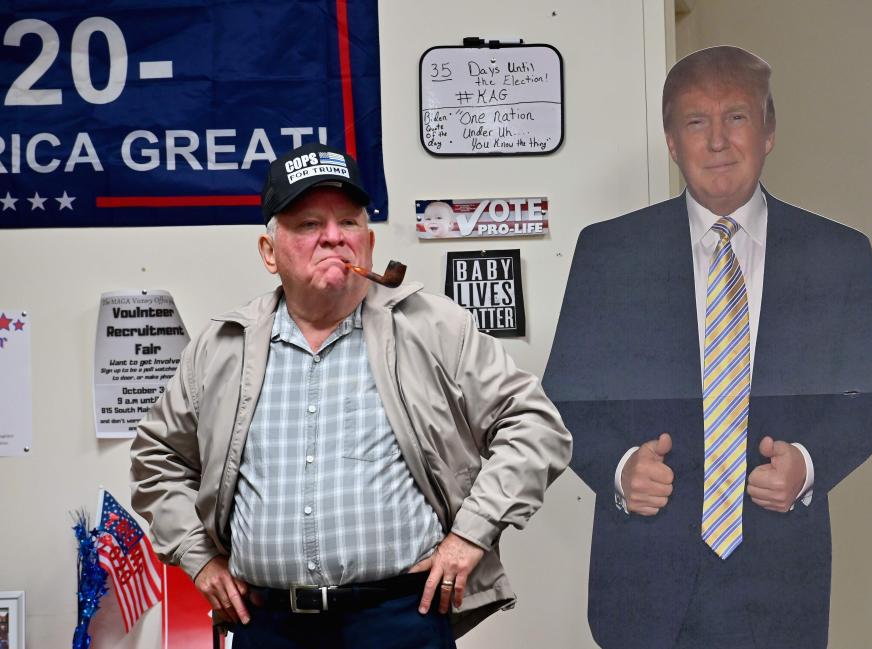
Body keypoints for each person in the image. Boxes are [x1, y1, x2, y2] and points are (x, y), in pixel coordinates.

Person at [130, 142, 571, 648]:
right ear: (269, 252)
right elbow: (156, 456)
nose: (333, 238)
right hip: (269, 626)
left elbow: (534, 424)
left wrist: (471, 532)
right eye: (308, 225)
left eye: (349, 222)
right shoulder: (222, 346)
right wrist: (199, 556)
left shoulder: (432, 327)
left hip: (401, 620)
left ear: (369, 240)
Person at [543, 46, 872, 649]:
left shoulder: (838, 254)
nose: (717, 142)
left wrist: (809, 465)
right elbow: (564, 399)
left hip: (782, 576)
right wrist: (620, 466)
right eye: (695, 122)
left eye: (736, 117)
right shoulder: (609, 253)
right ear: (671, 140)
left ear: (769, 131)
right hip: (644, 578)